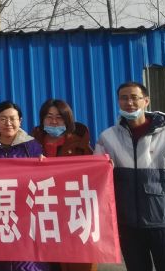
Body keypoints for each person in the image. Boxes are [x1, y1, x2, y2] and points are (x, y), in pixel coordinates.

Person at [95, 82, 165, 271]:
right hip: (127, 222)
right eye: (124, 98)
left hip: (163, 219)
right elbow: (98, 178)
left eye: (134, 97)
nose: (129, 102)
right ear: (118, 102)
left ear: (146, 101)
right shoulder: (108, 137)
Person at [30, 100, 95, 271]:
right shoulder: (31, 144)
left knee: (74, 261)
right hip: (43, 212)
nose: (53, 122)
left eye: (59, 117)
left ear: (67, 119)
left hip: (71, 211)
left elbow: (93, 175)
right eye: (49, 117)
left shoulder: (80, 144)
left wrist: (105, 166)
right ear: (42, 119)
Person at [0, 101, 47, 271]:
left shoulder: (32, 146)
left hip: (25, 212)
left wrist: (44, 165)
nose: (8, 123)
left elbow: (43, 178)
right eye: (3, 119)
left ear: (20, 121)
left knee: (26, 258)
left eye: (12, 118)